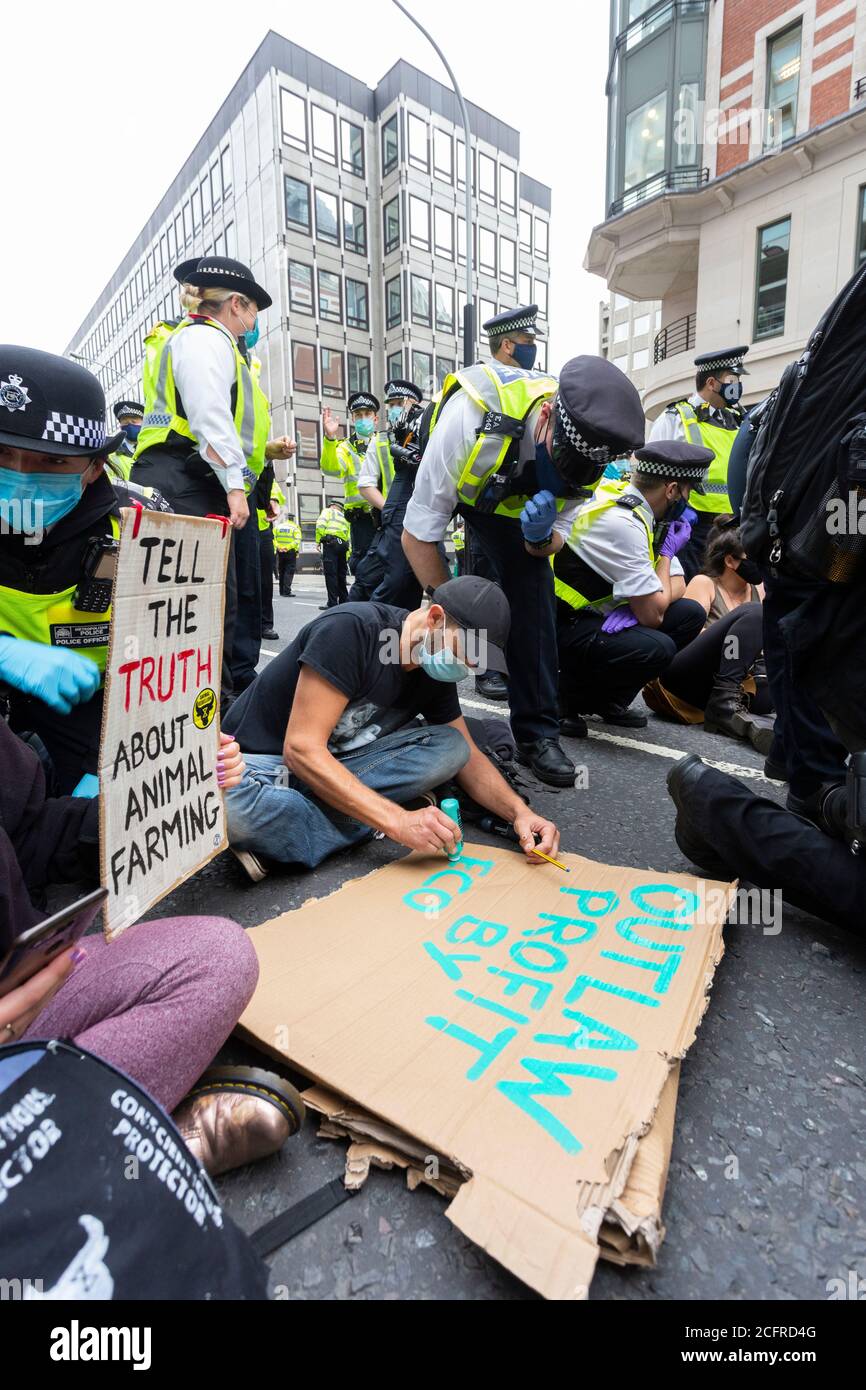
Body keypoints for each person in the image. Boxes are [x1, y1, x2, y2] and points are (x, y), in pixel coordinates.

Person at [0, 717, 303, 1176]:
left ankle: (78, 1153)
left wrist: (169, 795)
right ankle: (108, 1163)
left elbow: (31, 833)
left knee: (220, 954)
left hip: (28, 980)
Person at [402, 355, 646, 787]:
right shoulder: (469, 418)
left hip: (512, 512)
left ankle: (537, 735)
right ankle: (392, 708)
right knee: (400, 588)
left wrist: (537, 537)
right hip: (451, 475)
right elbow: (418, 536)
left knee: (535, 593)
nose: (562, 478)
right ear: (547, 415)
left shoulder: (587, 461)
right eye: (558, 461)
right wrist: (450, 612)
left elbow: (551, 543)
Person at [222, 575, 559, 880]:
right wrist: (399, 822)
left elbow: (468, 754)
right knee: (230, 805)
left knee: (452, 745)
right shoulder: (351, 630)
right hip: (260, 764)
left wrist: (520, 814)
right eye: (469, 651)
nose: (471, 666)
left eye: (478, 659)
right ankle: (348, 823)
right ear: (435, 618)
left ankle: (299, 828)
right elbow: (300, 751)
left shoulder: (432, 665)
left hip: (339, 763)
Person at [131, 255, 276, 706]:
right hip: (189, 478)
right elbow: (208, 413)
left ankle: (208, 711)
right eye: (253, 310)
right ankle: (203, 719)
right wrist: (235, 485)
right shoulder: (203, 338)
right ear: (236, 304)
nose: (254, 321)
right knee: (203, 607)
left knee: (206, 605)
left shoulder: (208, 342)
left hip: (190, 475)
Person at [0, 346, 134, 794]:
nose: (19, 478)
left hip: (101, 704)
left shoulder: (143, 525)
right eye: (2, 454)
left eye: (52, 461)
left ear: (95, 467)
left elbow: (188, 654)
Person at [553, 441, 711, 735]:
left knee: (689, 612)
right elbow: (653, 615)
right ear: (672, 489)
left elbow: (679, 584)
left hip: (595, 618)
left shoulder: (645, 512)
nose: (689, 500)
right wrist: (665, 556)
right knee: (656, 646)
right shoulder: (624, 522)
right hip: (563, 624)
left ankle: (607, 701)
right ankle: (560, 698)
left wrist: (637, 604)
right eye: (689, 491)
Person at [469, 304, 547, 699]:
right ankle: (486, 670)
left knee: (523, 598)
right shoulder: (483, 384)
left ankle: (518, 669)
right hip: (485, 507)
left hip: (526, 510)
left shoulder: (540, 383)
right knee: (485, 591)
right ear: (506, 345)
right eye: (527, 341)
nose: (533, 347)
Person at [643, 523, 773, 752]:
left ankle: (729, 708)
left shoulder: (758, 588)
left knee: (776, 692)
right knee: (755, 614)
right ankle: (723, 705)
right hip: (689, 672)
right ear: (730, 561)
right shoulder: (705, 583)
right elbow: (690, 632)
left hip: (730, 683)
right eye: (750, 557)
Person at [649, 347, 749, 581]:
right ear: (712, 383)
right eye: (733, 379)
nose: (738, 386)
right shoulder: (676, 417)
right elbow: (652, 474)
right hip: (693, 527)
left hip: (733, 525)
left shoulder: (739, 420)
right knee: (694, 590)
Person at [359, 379, 434, 612]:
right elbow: (365, 484)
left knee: (418, 582)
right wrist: (391, 510)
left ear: (413, 402)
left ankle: (407, 633)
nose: (393, 409)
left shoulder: (427, 431)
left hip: (424, 515)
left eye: (398, 403)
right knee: (393, 581)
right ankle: (369, 629)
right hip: (394, 519)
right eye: (390, 404)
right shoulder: (382, 440)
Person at [320, 393, 387, 581]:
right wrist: (330, 438)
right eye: (358, 415)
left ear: (375, 419)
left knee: (386, 566)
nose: (363, 418)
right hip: (362, 521)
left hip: (386, 515)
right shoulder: (345, 447)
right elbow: (331, 469)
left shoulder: (384, 443)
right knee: (364, 569)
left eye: (367, 414)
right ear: (353, 419)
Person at [316, 499, 350, 608]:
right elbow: (349, 536)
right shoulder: (345, 517)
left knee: (331, 574)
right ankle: (344, 601)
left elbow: (320, 524)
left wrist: (318, 540)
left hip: (331, 543)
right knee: (341, 575)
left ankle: (332, 603)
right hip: (343, 545)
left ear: (332, 506)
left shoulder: (328, 511)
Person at [106, 400, 144, 482]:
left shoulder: (153, 447)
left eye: (134, 422)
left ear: (143, 423)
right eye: (125, 423)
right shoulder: (111, 452)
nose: (130, 425)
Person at [273, 512, 302, 596]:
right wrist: (288, 547)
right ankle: (287, 591)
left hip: (280, 552)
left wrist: (279, 547)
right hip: (290, 552)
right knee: (289, 571)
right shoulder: (295, 527)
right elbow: (297, 540)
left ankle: (281, 591)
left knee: (281, 571)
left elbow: (273, 538)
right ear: (293, 519)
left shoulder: (278, 527)